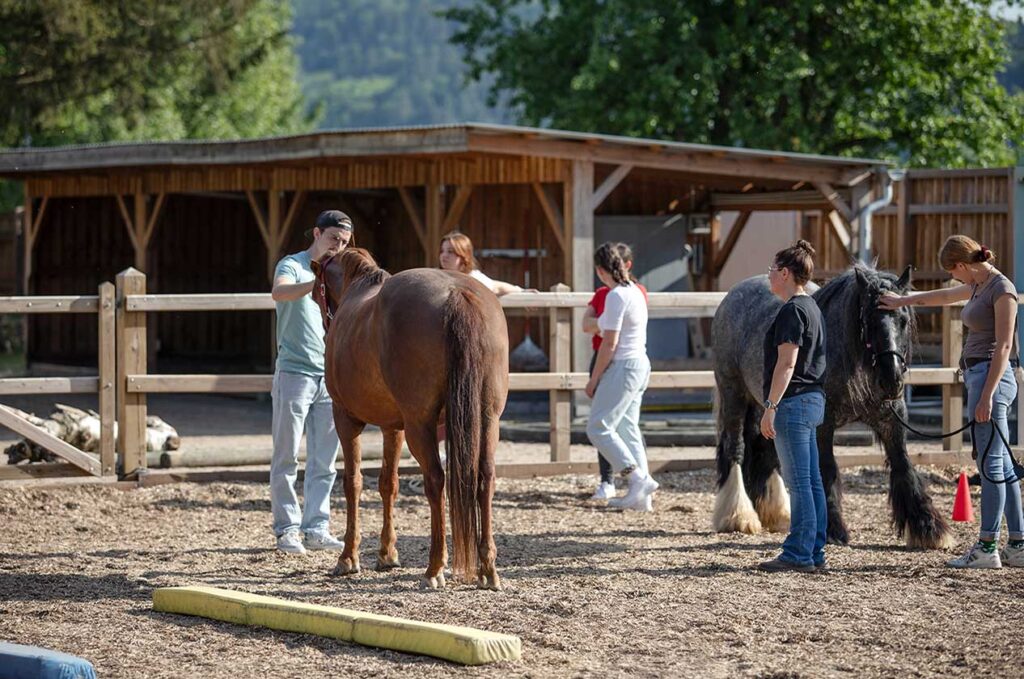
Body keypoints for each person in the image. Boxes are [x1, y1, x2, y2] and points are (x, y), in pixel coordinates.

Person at [880, 235, 1023, 569]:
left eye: (953, 271)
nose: (953, 278)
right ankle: (1017, 544)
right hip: (980, 376)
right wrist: (903, 301)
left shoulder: (1002, 290)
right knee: (1003, 465)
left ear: (962, 265)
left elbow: (1004, 346)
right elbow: (943, 296)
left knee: (990, 466)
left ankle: (987, 547)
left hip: (991, 379)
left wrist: (986, 396)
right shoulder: (978, 285)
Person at [268, 210, 353, 555]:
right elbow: (279, 293)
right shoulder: (293, 264)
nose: (338, 246)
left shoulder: (340, 274)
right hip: (294, 372)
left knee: (325, 461)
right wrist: (315, 284)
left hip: (328, 375)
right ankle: (287, 529)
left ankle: (316, 527)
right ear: (317, 234)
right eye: (333, 238)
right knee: (286, 455)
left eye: (344, 242)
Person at [757, 240, 828, 573]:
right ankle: (814, 549)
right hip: (813, 399)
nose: (769, 275)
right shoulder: (812, 307)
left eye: (772, 270)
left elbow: (786, 363)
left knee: (799, 484)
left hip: (794, 402)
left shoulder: (792, 311)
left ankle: (798, 553)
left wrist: (770, 405)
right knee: (812, 481)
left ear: (785, 273)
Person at [585, 242, 655, 511]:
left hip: (623, 366)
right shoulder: (634, 291)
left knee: (598, 427)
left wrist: (594, 379)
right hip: (639, 364)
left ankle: (637, 479)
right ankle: (642, 497)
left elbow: (609, 344)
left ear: (600, 270)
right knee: (627, 427)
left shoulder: (615, 296)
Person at [439, 231, 524, 296]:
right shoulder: (437, 278)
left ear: (464, 255)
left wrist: (521, 292)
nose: (444, 255)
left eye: (450, 251)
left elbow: (495, 287)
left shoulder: (473, 278)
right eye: (442, 251)